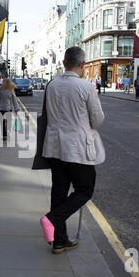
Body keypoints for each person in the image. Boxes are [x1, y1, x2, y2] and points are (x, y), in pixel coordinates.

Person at [40, 46, 105, 254]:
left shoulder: (52, 85)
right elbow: (97, 119)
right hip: (77, 149)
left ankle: (59, 242)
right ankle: (51, 219)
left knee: (58, 192)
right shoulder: (86, 87)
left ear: (63, 63)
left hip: (54, 147)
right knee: (85, 190)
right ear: (83, 65)